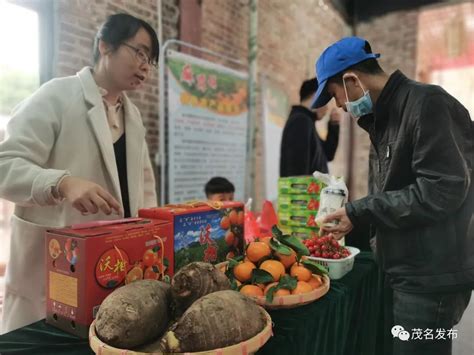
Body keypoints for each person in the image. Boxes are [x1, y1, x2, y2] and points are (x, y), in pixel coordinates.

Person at [313, 36, 474, 355]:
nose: (340, 107)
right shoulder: (382, 120)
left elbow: (443, 189)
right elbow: (396, 194)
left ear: (351, 80)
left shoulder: (427, 104)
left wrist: (360, 211)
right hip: (402, 270)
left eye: (335, 96)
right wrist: (354, 223)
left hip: (431, 280)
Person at [0, 13, 159, 334]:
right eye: (139, 52)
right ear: (104, 46)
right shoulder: (56, 96)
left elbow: (144, 190)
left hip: (111, 270)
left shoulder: (134, 117)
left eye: (150, 59)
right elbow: (5, 164)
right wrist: (61, 182)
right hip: (51, 274)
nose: (145, 65)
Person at [280, 78, 340, 177]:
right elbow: (297, 173)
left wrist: (333, 125)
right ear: (315, 96)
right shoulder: (300, 121)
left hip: (309, 191)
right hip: (305, 192)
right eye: (325, 100)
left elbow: (327, 154)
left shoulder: (306, 122)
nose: (327, 108)